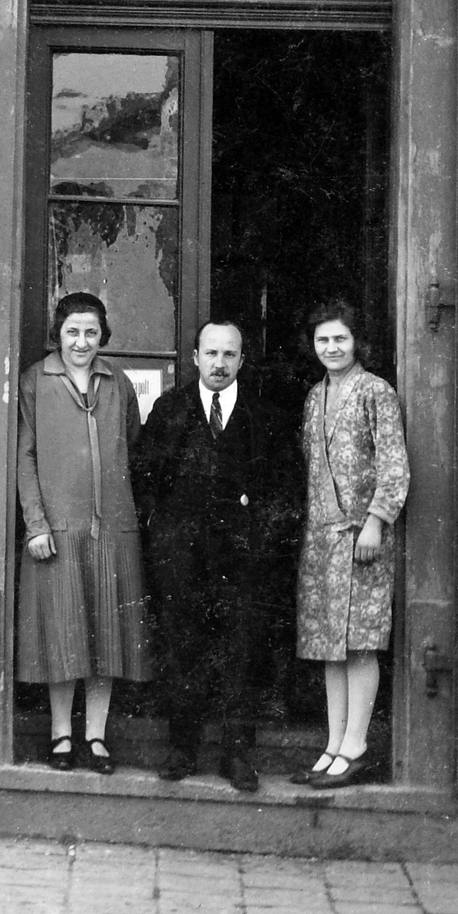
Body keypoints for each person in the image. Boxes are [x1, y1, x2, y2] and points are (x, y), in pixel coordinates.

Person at [134, 320, 296, 793]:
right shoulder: (169, 410)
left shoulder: (264, 417)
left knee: (240, 653)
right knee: (183, 649)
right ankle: (182, 748)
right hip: (181, 557)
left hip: (242, 560)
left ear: (242, 360)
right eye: (211, 354)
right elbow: (144, 478)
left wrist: (259, 538)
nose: (219, 364)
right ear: (195, 357)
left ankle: (236, 753)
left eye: (229, 355)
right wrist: (161, 532)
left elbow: (285, 492)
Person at [16, 291, 152, 775]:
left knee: (105, 637)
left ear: (103, 335)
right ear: (59, 333)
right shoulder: (36, 380)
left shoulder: (117, 381)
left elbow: (134, 447)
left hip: (113, 528)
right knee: (63, 635)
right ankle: (61, 735)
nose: (81, 341)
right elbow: (24, 456)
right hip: (58, 528)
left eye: (91, 332)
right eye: (73, 331)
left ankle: (95, 736)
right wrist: (36, 523)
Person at [294, 298, 410, 789]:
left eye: (340, 338)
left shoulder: (375, 392)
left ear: (357, 342)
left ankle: (356, 746)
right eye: (323, 340)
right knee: (330, 647)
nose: (332, 347)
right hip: (323, 539)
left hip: (364, 539)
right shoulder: (313, 396)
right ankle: (334, 742)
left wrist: (376, 522)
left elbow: (394, 464)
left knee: (360, 644)